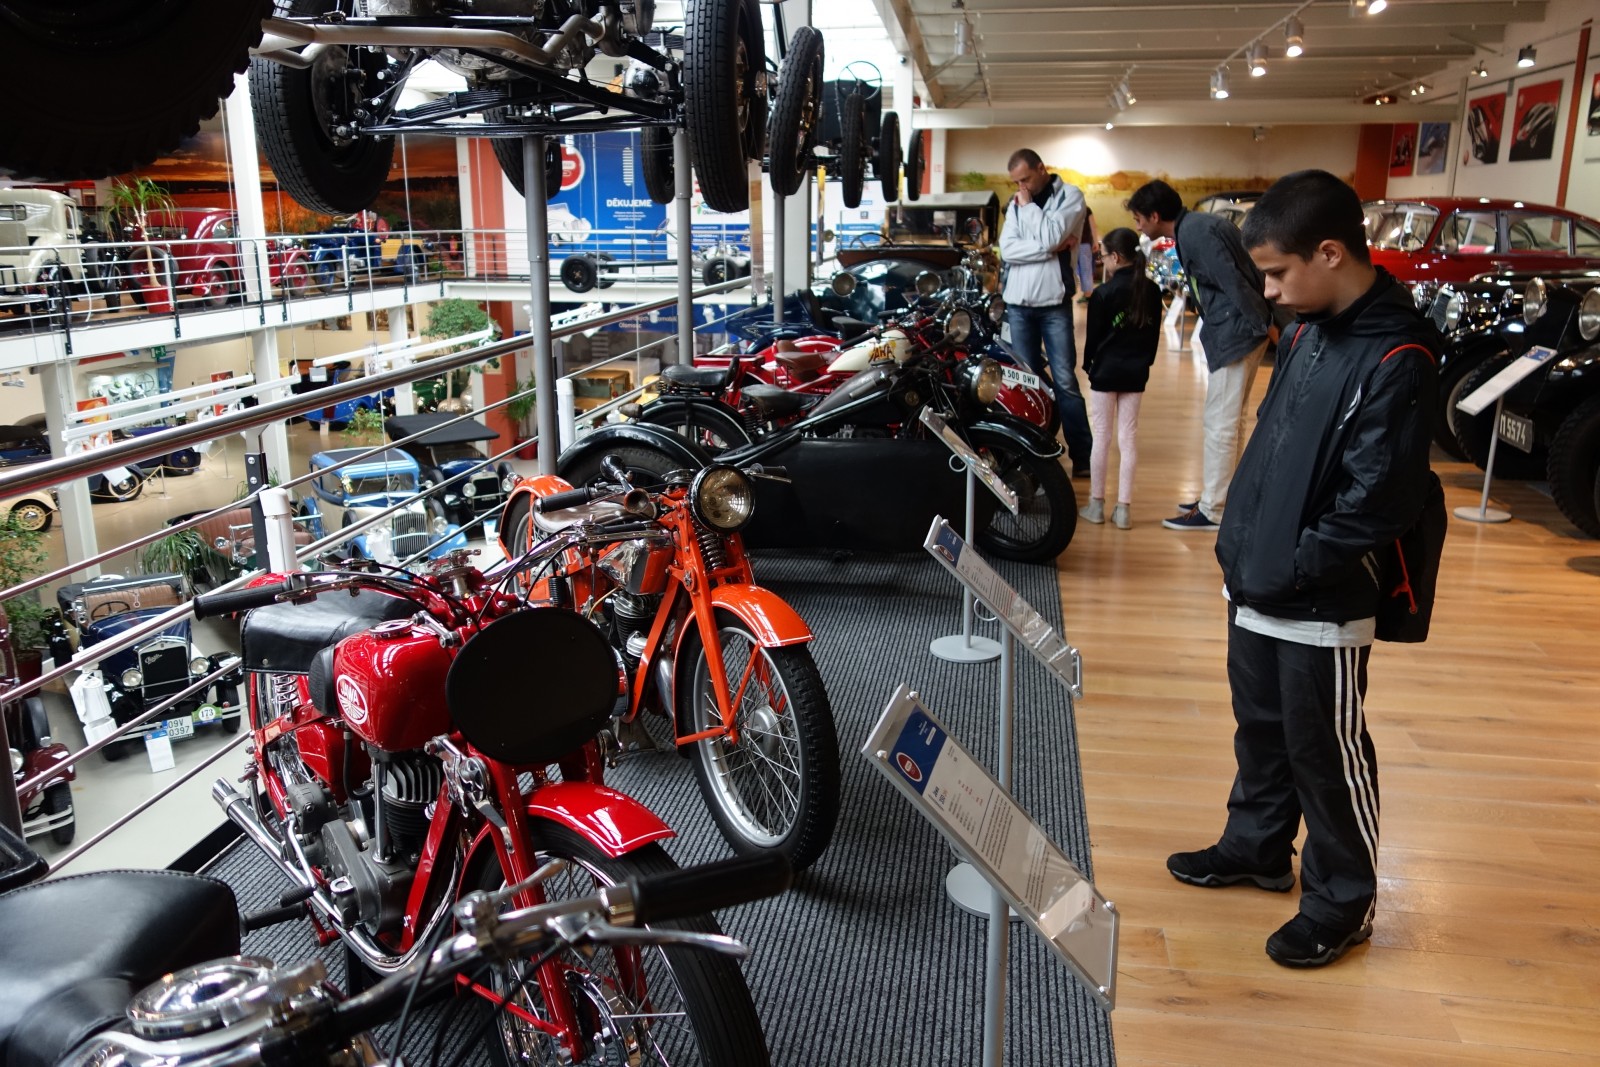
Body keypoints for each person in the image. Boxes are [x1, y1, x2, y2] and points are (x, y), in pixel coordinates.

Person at [1166, 170, 1440, 968]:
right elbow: (1274, 446)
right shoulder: (1307, 329)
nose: (1271, 292)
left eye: (1279, 273)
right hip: (1257, 579)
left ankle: (1342, 901)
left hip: (1322, 599)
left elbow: (1377, 503)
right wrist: (1241, 548)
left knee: (1327, 751)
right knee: (1261, 729)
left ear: (1330, 252)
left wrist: (1291, 563)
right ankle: (1255, 846)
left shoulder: (1400, 355)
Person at [1126, 179, 1272, 531]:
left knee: (1220, 424)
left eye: (1139, 219)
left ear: (1155, 215)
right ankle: (1222, 496)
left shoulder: (1196, 232)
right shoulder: (1196, 227)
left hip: (1237, 334)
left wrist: (1265, 325)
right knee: (1230, 421)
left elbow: (1233, 280)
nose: (1138, 226)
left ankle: (1215, 509)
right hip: (1238, 331)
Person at [999, 148, 1093, 476]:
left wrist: (1032, 214)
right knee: (1027, 383)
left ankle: (1083, 458)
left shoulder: (1070, 196)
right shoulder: (1016, 203)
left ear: (1042, 169)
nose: (1021, 187)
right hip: (1018, 305)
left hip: (1054, 303)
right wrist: (1047, 249)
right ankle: (1032, 456)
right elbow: (1008, 250)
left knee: (1065, 381)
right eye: (1016, 182)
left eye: (1025, 179)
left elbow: (1052, 236)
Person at [1078, 227, 1160, 530]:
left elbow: (1093, 338)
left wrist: (1088, 365)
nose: (1101, 260)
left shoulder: (1103, 293)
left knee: (1102, 436)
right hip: (1136, 371)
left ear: (1116, 257)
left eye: (1102, 256)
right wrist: (1145, 364)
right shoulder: (1152, 291)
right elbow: (1153, 337)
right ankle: (1124, 509)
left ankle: (1096, 505)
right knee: (1128, 437)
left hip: (1105, 371)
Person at [1075, 206, 1099, 302]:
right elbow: (1093, 226)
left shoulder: (1069, 207)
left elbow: (1093, 226)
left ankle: (1087, 295)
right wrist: (1095, 242)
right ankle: (1087, 295)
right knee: (1085, 270)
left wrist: (1095, 242)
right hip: (1083, 244)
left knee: (1082, 270)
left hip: (1075, 244)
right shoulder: (1086, 209)